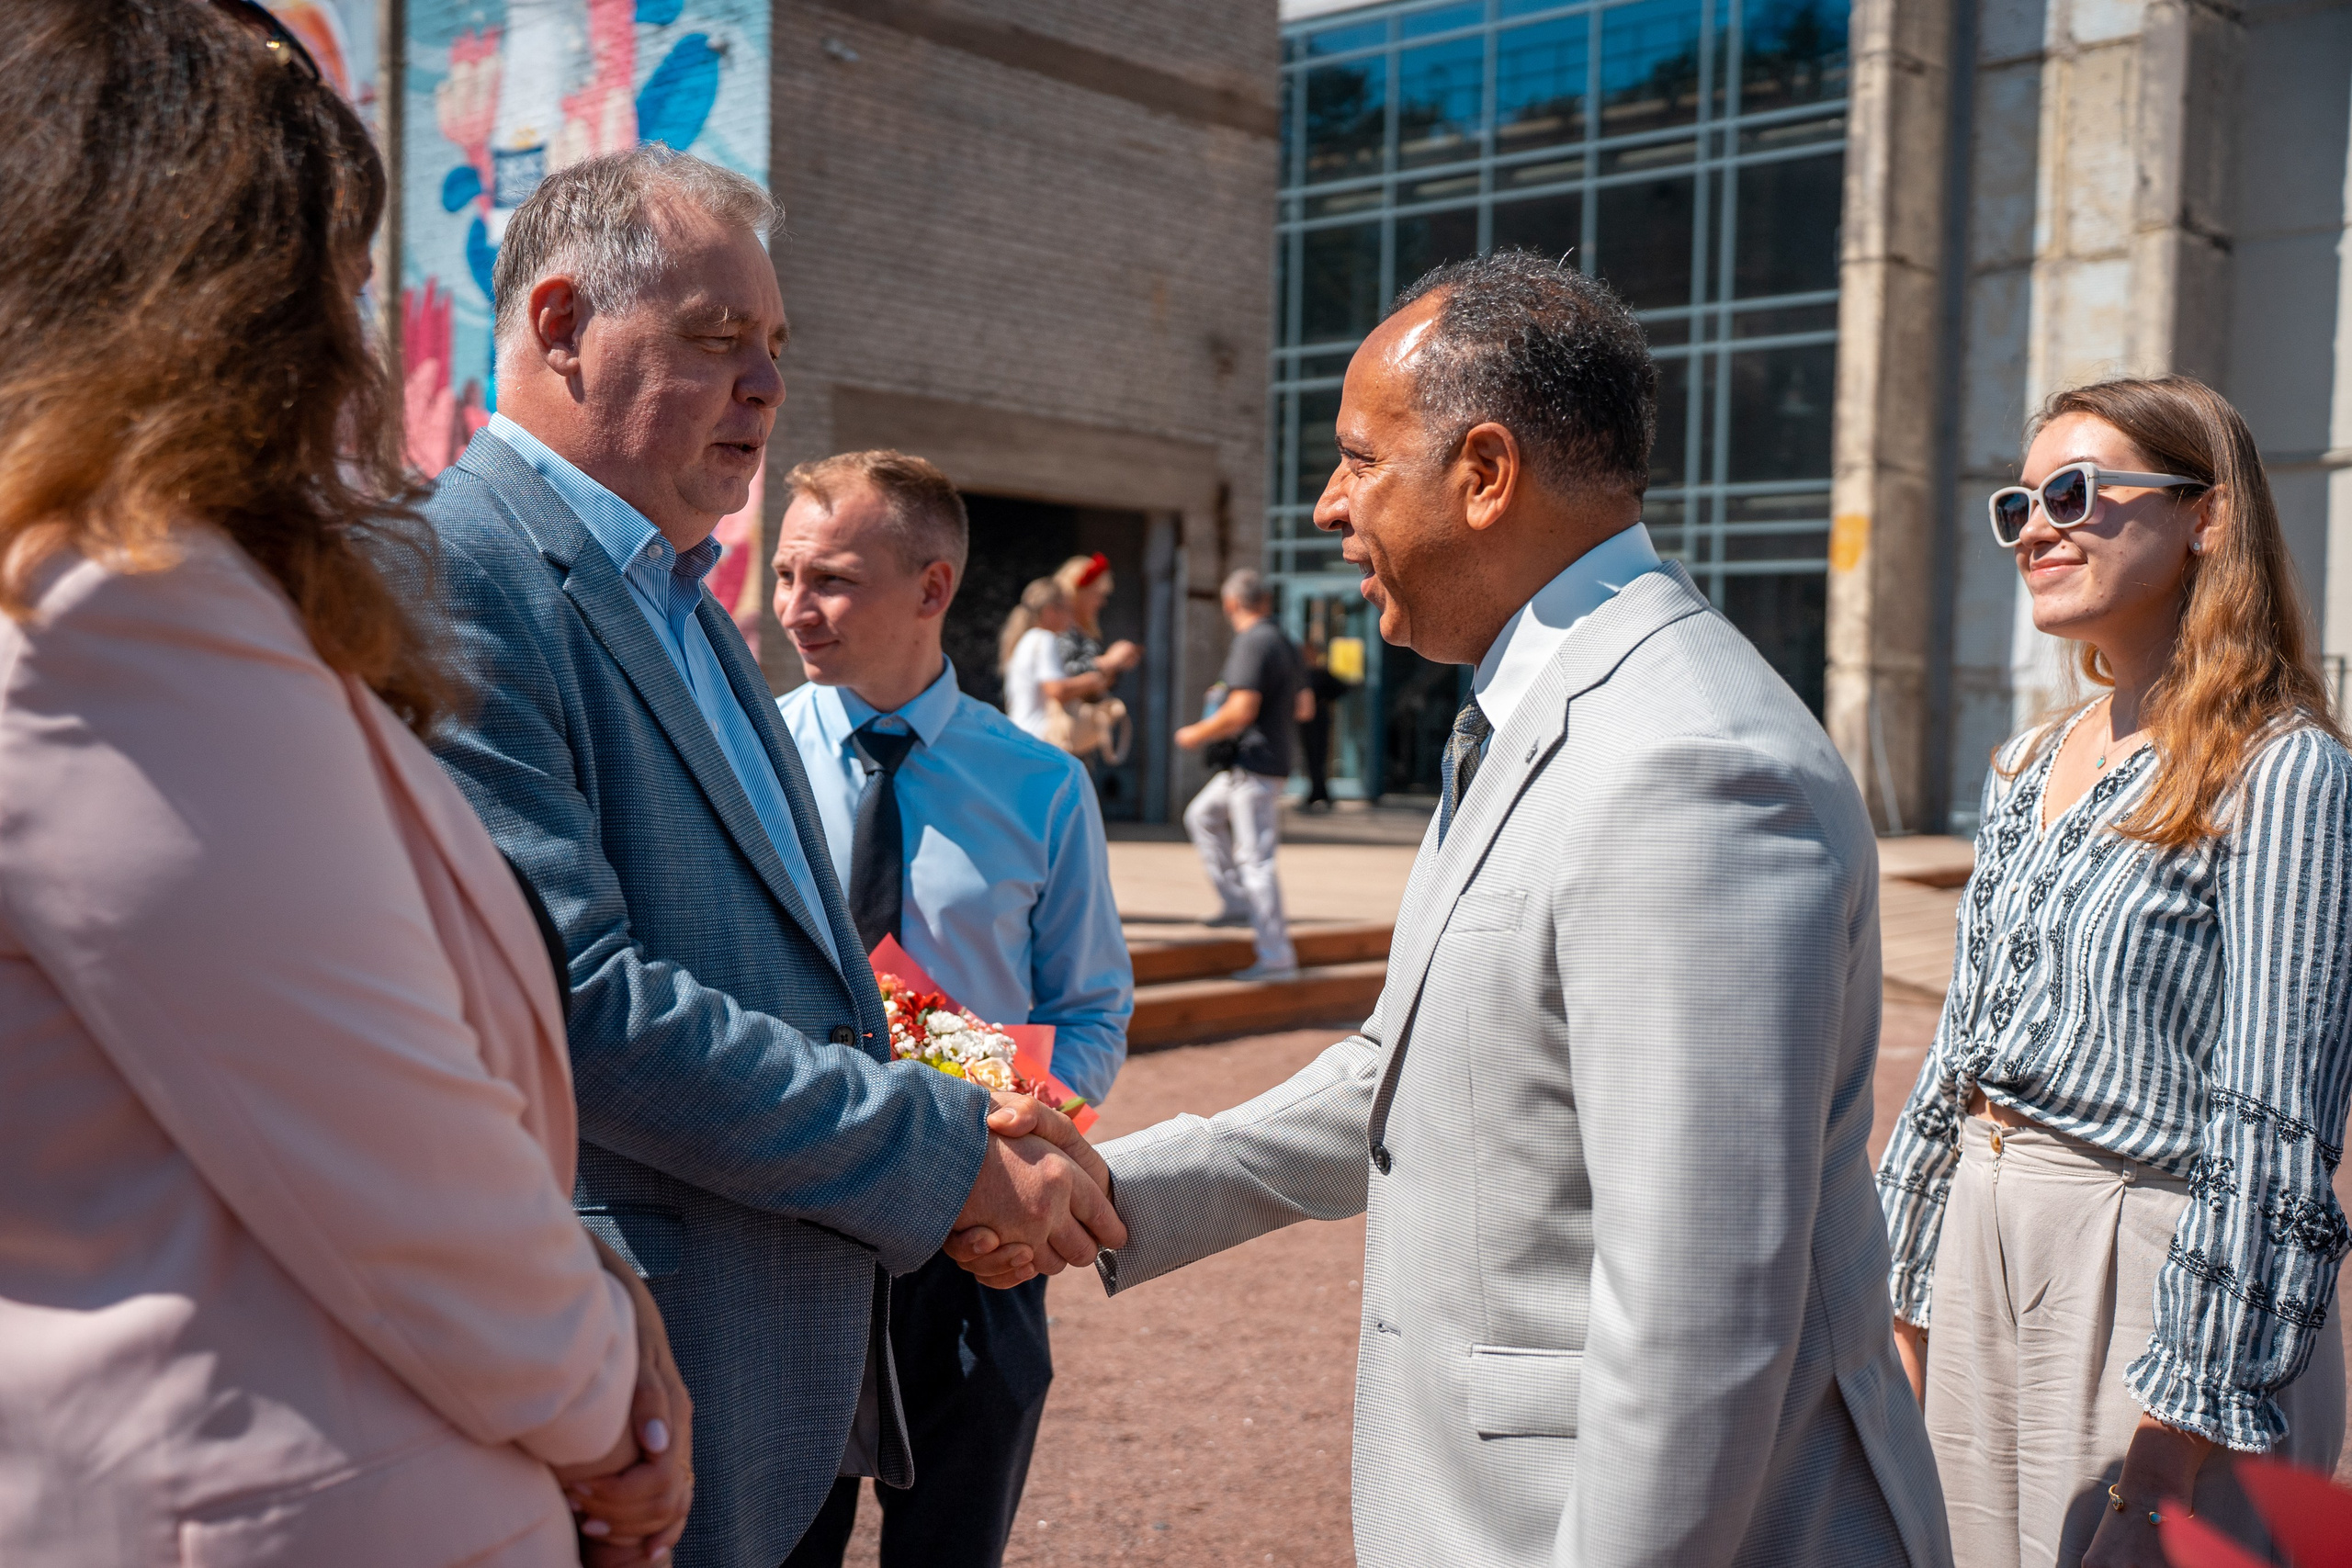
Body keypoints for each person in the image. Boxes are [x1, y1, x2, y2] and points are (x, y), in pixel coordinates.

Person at [961, 252, 1952, 1568]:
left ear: (1485, 474)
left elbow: (1698, 1319)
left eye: (1358, 459)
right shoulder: (1538, 709)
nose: (1326, 506)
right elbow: (1408, 1066)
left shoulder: (1684, 759)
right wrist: (1117, 1185)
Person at [0, 4, 688, 1562]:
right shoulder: (119, 604)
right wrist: (618, 1408)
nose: (362, 327)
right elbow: (399, 1166)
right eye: (335, 263)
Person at [407, 146, 1124, 1567]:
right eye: (717, 338)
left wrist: (996, 1119)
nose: (769, 387)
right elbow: (577, 1005)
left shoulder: (676, 598)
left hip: (775, 1375)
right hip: (638, 1381)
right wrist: (943, 1152)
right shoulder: (458, 571)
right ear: (560, 327)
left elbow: (813, 984)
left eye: (776, 347)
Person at [1876, 376, 2352, 1567]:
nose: (2036, 525)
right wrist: (1900, 1289)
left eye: (2076, 492)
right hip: (1981, 1240)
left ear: (2208, 514)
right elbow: (1957, 1054)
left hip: (2144, 1263)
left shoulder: (2283, 769)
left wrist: (2176, 1428)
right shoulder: (2028, 759)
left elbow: (2278, 1126)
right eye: (2020, 502)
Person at [771, 450, 1132, 1568]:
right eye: (785, 575)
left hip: (977, 1244)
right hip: (790, 1226)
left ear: (932, 588)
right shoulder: (744, 762)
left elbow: (1089, 1011)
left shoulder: (1041, 785)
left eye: (829, 578)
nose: (793, 608)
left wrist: (1024, 1144)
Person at [1176, 570, 1304, 980]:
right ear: (1265, 601)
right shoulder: (1284, 641)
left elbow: (1241, 708)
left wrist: (1196, 733)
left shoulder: (1253, 641)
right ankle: (1236, 904)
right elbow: (1305, 708)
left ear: (1231, 604)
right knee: (1202, 815)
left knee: (1256, 859)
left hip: (1255, 764)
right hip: (1260, 762)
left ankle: (1277, 957)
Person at [997, 576, 1073, 740]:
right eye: (1067, 609)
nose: (1071, 617)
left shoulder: (1026, 639)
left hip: (1020, 736)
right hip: (1037, 739)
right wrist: (1095, 679)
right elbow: (1056, 690)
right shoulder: (1044, 638)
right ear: (1049, 611)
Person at [1297, 638, 1351, 809]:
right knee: (1310, 757)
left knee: (1318, 757)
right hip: (1305, 721)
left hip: (1318, 720)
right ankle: (1317, 791)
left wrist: (1322, 701)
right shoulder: (1300, 673)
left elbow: (1341, 688)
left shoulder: (1319, 673)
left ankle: (1320, 792)